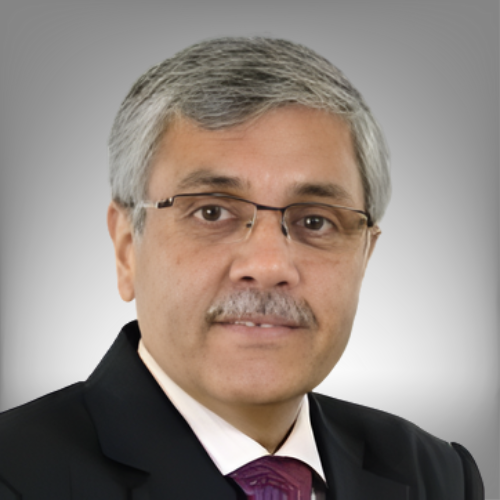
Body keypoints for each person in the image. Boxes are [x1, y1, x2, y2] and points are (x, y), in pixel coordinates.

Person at [0, 37, 483, 500]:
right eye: (212, 212)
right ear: (127, 247)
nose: (268, 265)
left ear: (364, 256)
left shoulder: (436, 476)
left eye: (315, 221)